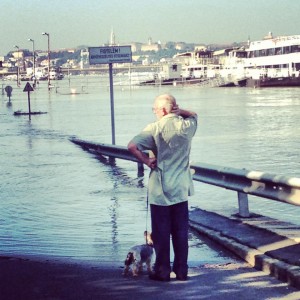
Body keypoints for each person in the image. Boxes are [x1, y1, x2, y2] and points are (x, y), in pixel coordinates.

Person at [127, 94, 198, 281]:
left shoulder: (154, 128)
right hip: (181, 189)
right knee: (181, 233)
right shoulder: (187, 127)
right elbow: (194, 115)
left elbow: (132, 146)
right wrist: (181, 111)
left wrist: (146, 160)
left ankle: (162, 271)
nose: (154, 112)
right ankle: (182, 271)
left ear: (164, 110)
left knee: (161, 232)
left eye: (155, 109)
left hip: (160, 190)